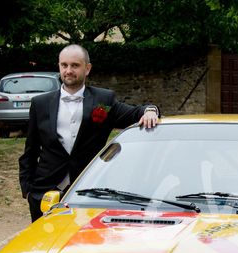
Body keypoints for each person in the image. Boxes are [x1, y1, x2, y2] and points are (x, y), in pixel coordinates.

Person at [19, 44, 161, 222]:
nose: (68, 70)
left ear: (87, 69)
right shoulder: (41, 103)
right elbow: (30, 151)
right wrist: (29, 191)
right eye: (64, 65)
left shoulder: (103, 100)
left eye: (75, 65)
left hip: (90, 191)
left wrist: (150, 110)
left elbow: (134, 113)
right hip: (45, 192)